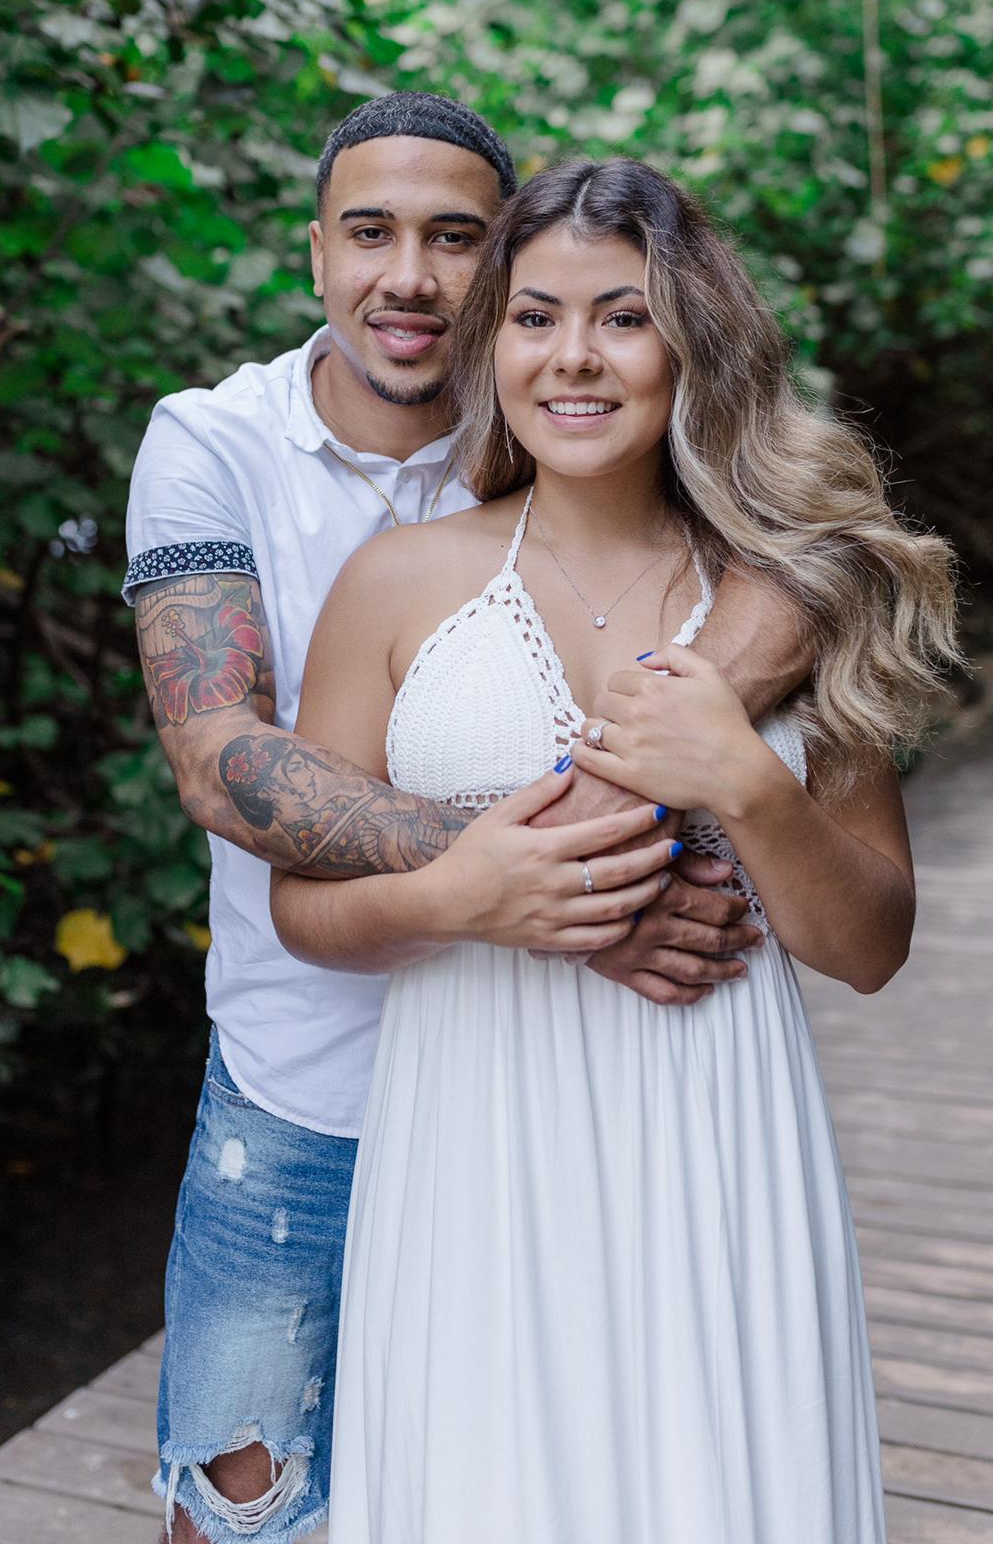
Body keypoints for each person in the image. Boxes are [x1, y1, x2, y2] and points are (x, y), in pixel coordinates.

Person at [124, 97, 818, 1544]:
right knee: (242, 1504)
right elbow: (220, 760)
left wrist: (576, 874)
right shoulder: (214, 444)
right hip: (310, 1071)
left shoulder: (560, 408)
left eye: (455, 239)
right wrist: (570, 888)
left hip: (572, 1081)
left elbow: (785, 549)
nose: (411, 277)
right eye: (369, 233)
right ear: (316, 253)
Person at [272, 157, 960, 1544]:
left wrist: (747, 790)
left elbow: (872, 946)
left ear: (693, 345)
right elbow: (304, 908)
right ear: (491, 343)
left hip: (716, 1127)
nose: (573, 357)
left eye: (623, 318)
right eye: (534, 317)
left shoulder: (789, 591)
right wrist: (465, 899)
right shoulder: (398, 582)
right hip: (475, 1130)